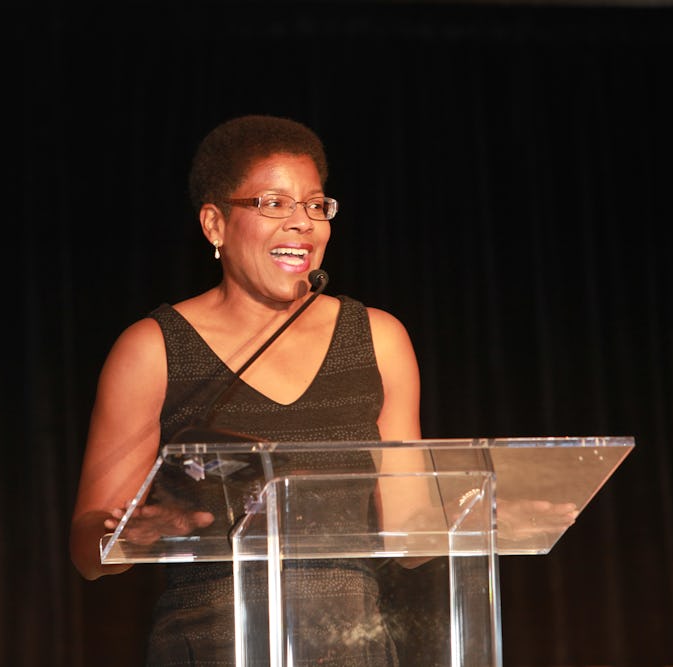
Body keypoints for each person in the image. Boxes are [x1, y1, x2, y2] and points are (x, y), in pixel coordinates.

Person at [69, 114, 422, 665]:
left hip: (353, 646)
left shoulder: (378, 339)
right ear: (214, 223)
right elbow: (89, 552)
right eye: (274, 204)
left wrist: (489, 515)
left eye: (314, 204)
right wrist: (136, 532)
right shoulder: (153, 349)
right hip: (211, 646)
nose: (302, 222)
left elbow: (411, 536)